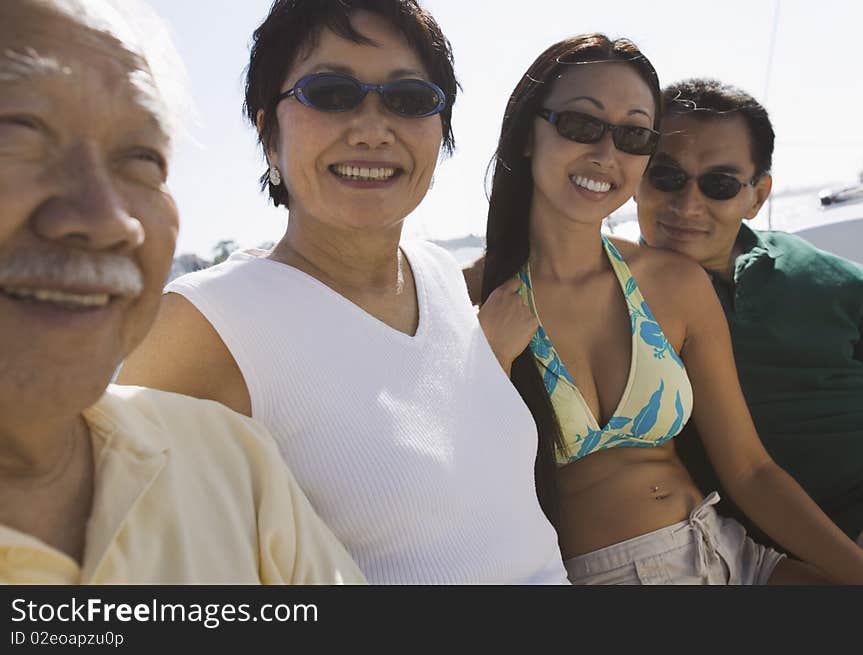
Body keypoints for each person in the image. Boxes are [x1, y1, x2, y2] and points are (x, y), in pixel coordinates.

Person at [118, 0, 568, 585]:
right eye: (330, 93)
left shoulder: (440, 277)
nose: (373, 128)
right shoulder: (210, 325)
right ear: (267, 133)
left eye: (409, 100)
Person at [473, 33, 863, 584]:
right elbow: (455, 493)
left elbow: (752, 471)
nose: (606, 153)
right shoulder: (469, 299)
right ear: (526, 133)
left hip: (731, 553)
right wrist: (488, 358)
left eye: (634, 135)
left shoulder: (676, 283)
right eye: (580, 124)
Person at [0, 0, 365, 585]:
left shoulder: (230, 463)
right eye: (15, 131)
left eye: (141, 159)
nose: (108, 218)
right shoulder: (212, 317)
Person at [634, 78, 863, 562]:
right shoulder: (611, 299)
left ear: (757, 196)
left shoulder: (828, 275)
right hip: (776, 553)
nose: (688, 205)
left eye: (720, 185)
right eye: (666, 177)